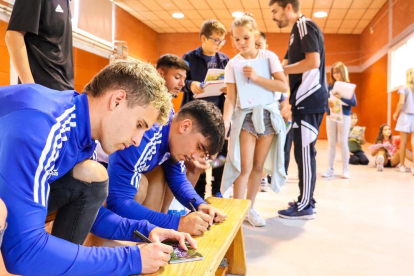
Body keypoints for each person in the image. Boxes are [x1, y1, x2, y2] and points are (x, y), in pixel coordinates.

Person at [0, 60, 198, 275]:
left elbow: (93, 214)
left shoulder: (83, 131)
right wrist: (131, 258)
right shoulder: (42, 125)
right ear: (117, 101)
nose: (137, 140)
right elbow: (23, 252)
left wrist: (148, 231)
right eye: (139, 125)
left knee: (91, 177)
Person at [95, 100, 227, 239]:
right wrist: (178, 223)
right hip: (93, 173)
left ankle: (149, 239)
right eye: (199, 147)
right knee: (139, 186)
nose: (195, 157)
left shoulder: (172, 134)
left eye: (202, 154)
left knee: (159, 173)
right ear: (185, 126)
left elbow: (178, 178)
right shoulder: (143, 138)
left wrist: (200, 204)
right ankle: (98, 244)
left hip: (114, 172)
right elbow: (118, 202)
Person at [221, 14, 288, 227]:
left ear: (255, 35)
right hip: (246, 117)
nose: (241, 43)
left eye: (246, 38)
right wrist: (225, 121)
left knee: (258, 167)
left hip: (268, 116)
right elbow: (231, 97)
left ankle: (250, 209)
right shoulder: (233, 64)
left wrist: (257, 77)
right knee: (243, 166)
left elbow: (283, 86)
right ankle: (236, 212)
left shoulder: (269, 57)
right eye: (237, 39)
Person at [270, 0, 329, 220]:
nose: (273, 16)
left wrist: (280, 69)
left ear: (288, 7)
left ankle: (306, 206)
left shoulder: (305, 25)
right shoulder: (295, 32)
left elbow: (313, 62)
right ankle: (306, 199)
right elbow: (283, 65)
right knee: (301, 152)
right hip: (301, 100)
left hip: (310, 99)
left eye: (275, 11)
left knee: (304, 152)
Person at [181, 19, 229, 199]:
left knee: (220, 152)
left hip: (217, 115)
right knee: (198, 153)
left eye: (221, 41)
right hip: (196, 116)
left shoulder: (225, 60)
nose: (219, 44)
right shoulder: (189, 57)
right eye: (215, 40)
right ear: (203, 38)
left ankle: (216, 189)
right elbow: (180, 80)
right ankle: (198, 190)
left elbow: (232, 86)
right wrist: (190, 84)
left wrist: (228, 89)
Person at [6, 0, 74, 90]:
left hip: (64, 93)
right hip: (42, 92)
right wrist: (30, 88)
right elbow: (13, 35)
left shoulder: (66, 2)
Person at [322, 62, 357, 179]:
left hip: (344, 116)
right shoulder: (329, 86)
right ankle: (330, 168)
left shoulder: (348, 86)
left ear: (343, 72)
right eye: (334, 72)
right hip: (331, 115)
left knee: (343, 141)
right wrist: (329, 103)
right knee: (331, 142)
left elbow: (354, 103)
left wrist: (341, 98)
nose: (335, 74)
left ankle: (345, 169)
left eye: (337, 72)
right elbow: (323, 102)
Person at [393, 68, 414, 174]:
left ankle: (402, 166)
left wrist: (396, 113)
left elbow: (401, 102)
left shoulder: (404, 87)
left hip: (405, 116)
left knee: (403, 142)